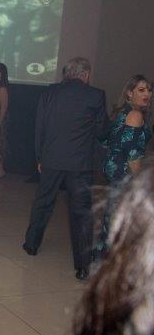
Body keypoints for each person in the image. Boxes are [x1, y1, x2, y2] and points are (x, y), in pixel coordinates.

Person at [23, 57, 108, 281]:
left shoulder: (49, 93)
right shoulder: (96, 95)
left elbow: (39, 127)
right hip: (80, 163)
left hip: (51, 159)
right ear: (86, 75)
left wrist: (39, 157)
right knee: (81, 213)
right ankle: (82, 266)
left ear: (66, 73)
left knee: (43, 203)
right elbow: (102, 131)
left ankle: (31, 245)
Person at [73, 162, 154, 335]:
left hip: (120, 194)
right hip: (120, 193)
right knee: (110, 229)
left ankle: (99, 268)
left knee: (110, 230)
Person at [94, 75, 152, 257]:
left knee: (113, 216)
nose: (147, 94)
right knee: (122, 221)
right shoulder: (135, 115)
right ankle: (111, 261)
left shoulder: (122, 112)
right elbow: (132, 155)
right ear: (129, 93)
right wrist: (140, 183)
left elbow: (106, 142)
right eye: (141, 90)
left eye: (149, 90)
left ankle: (103, 258)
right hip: (124, 173)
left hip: (114, 170)